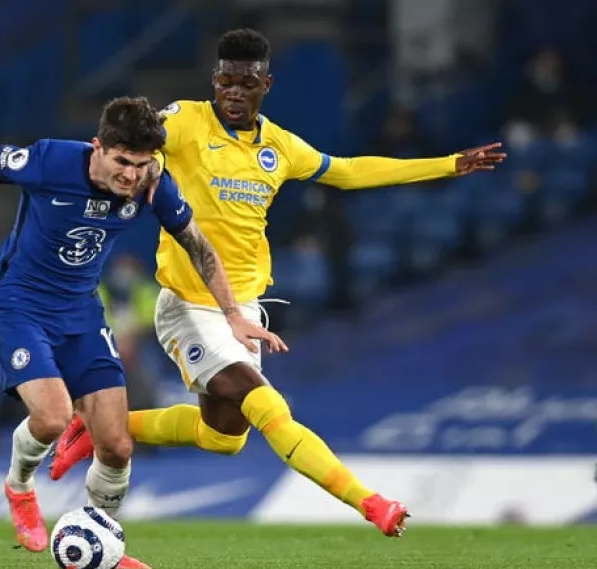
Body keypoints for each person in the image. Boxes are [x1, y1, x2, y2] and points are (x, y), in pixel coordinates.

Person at [50, 29, 507, 537]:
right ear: (214, 81)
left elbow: (350, 172)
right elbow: (125, 143)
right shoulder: (183, 121)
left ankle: (98, 428)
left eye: (246, 82)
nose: (234, 92)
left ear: (265, 84)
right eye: (226, 81)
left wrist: (447, 164)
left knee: (223, 437)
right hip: (189, 306)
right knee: (269, 405)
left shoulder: (280, 146)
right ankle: (372, 504)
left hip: (244, 310)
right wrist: (64, 167)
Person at [0, 95, 284, 569]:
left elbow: (198, 245)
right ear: (98, 147)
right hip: (21, 303)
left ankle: (101, 537)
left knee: (118, 443)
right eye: (122, 161)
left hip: (81, 311)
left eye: (141, 164)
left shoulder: (153, 184)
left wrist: (233, 314)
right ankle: (19, 487)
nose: (130, 175)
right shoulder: (51, 161)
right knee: (53, 417)